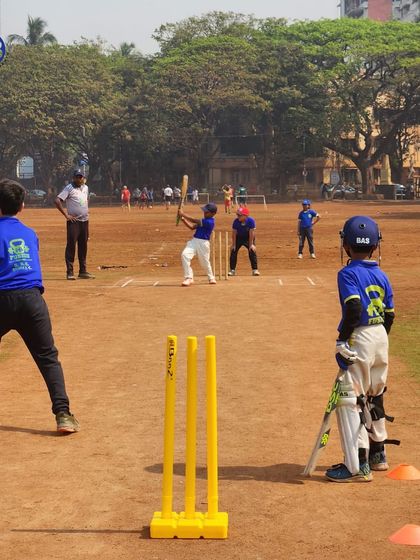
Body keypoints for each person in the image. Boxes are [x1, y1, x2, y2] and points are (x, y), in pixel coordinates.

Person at [0, 179, 79, 433]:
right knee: (48, 358)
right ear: (21, 206)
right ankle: (63, 414)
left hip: (3, 299)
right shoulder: (30, 233)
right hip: (32, 300)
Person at [326, 216, 395, 482]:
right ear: (376, 246)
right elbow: (390, 314)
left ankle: (357, 465)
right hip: (380, 336)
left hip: (360, 335)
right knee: (375, 394)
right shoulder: (382, 273)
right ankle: (379, 454)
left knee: (352, 399)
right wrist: (379, 338)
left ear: (346, 245)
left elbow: (354, 308)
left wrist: (343, 341)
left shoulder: (347, 273)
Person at [55, 169, 95, 280]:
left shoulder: (86, 188)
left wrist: (86, 210)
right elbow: (57, 200)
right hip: (73, 222)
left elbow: (86, 200)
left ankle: (83, 271)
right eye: (77, 177)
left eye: (81, 177)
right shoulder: (69, 188)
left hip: (85, 221)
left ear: (84, 178)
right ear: (74, 177)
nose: (79, 178)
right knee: (71, 245)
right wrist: (66, 215)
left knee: (83, 245)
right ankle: (70, 272)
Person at [178, 203, 218, 286]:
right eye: (204, 211)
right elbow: (192, 227)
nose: (204, 213)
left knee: (205, 262)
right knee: (184, 255)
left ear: (213, 213)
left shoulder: (210, 221)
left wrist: (183, 214)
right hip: (194, 241)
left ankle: (211, 277)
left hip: (203, 243)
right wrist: (183, 219)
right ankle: (189, 277)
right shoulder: (203, 220)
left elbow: (194, 220)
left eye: (207, 212)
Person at [228, 207, 260, 276]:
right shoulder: (236, 222)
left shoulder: (251, 221)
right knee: (233, 251)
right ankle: (232, 270)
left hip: (248, 238)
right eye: (237, 215)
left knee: (252, 250)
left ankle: (255, 270)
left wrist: (251, 244)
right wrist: (233, 244)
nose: (238, 216)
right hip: (238, 238)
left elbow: (251, 233)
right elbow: (234, 233)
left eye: (240, 215)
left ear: (245, 216)